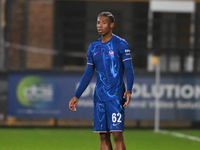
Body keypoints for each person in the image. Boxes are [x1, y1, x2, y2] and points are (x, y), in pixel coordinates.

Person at [69, 11, 134, 150]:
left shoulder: (121, 44)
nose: (100, 25)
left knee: (117, 134)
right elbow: (88, 74)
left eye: (104, 23)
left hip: (116, 96)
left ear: (111, 25)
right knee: (103, 136)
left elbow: (129, 69)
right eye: (98, 22)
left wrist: (129, 90)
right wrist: (77, 95)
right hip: (99, 97)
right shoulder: (93, 47)